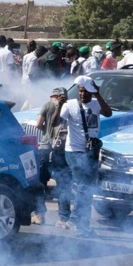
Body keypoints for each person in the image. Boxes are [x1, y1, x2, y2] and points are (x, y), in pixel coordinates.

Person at [59, 75, 113, 238]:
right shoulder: (69, 105)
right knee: (84, 185)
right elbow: (56, 122)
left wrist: (97, 94)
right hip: (74, 151)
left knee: (88, 187)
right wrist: (59, 105)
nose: (82, 95)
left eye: (85, 92)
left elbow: (108, 113)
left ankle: (84, 225)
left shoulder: (96, 104)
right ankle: (75, 220)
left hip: (90, 151)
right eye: (80, 91)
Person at [35, 87, 69, 227]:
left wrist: (47, 132)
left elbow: (38, 124)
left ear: (52, 96)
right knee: (63, 185)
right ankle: (64, 218)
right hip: (62, 150)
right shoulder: (68, 107)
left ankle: (39, 215)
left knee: (41, 183)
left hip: (45, 148)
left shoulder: (47, 105)